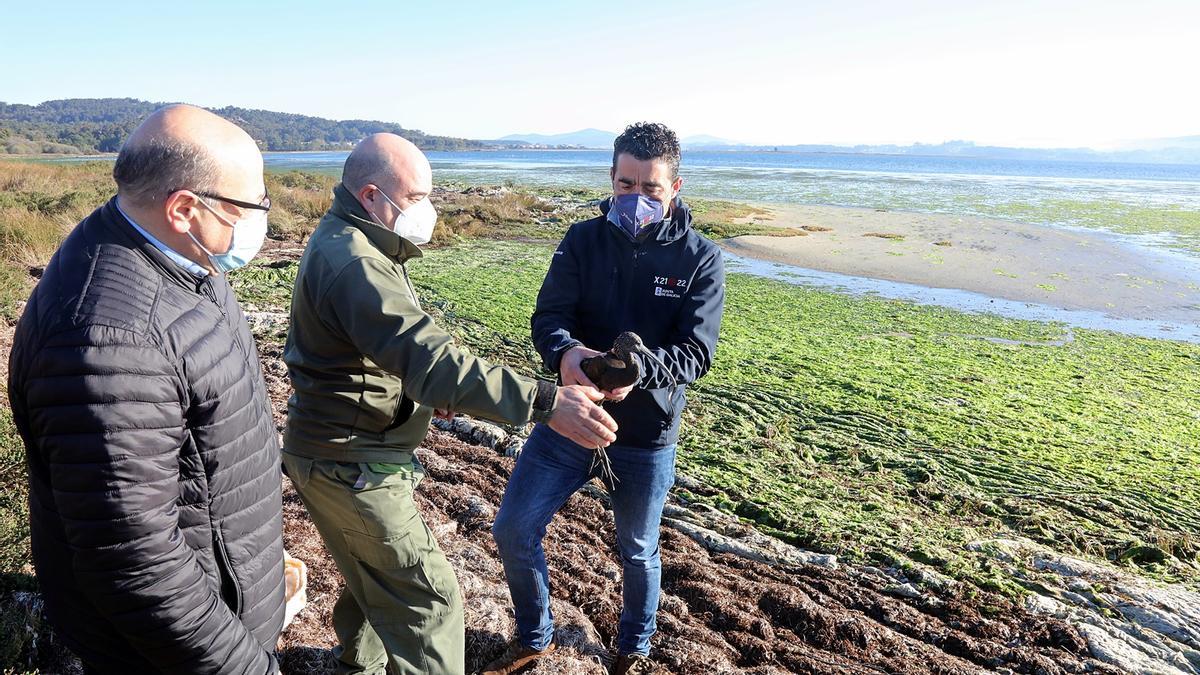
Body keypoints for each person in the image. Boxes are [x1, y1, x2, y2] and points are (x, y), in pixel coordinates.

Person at [281, 133, 618, 675]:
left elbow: (383, 356)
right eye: (415, 198)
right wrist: (546, 400)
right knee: (429, 604)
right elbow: (429, 357)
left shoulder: (359, 242)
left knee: (371, 583)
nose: (427, 211)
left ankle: (356, 668)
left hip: (337, 449)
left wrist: (421, 393)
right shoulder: (356, 262)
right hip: (350, 460)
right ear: (372, 194)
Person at [8, 104, 285, 674]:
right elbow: (134, 559)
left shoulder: (183, 259)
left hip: (221, 600)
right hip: (171, 654)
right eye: (252, 206)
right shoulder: (110, 339)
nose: (262, 220)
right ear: (184, 207)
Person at [485, 122, 726, 675]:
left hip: (645, 436)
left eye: (651, 188)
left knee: (638, 552)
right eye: (625, 185)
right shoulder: (582, 239)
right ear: (611, 180)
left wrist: (640, 370)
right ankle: (534, 636)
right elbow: (549, 317)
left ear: (676, 187)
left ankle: (632, 650)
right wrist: (566, 354)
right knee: (513, 529)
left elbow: (696, 353)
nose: (635, 198)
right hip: (569, 418)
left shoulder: (700, 259)